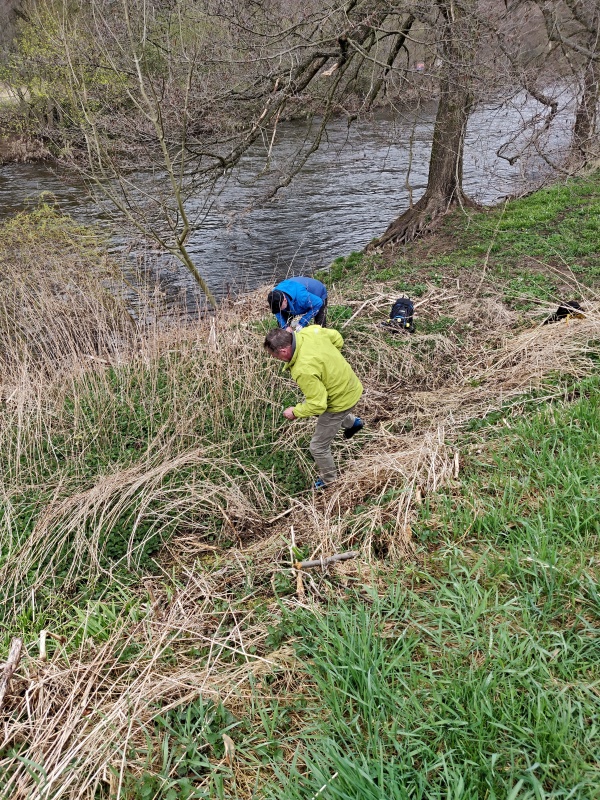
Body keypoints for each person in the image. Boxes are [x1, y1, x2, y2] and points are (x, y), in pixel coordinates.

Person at [264, 326, 364, 489]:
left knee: (317, 447)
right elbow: (338, 338)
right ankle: (354, 423)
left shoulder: (303, 369)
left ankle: (329, 480)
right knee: (324, 409)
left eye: (274, 356)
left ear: (283, 351)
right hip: (351, 384)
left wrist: (295, 412)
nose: (276, 359)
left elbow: (318, 405)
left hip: (341, 400)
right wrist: (330, 363)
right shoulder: (310, 332)